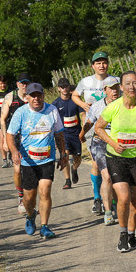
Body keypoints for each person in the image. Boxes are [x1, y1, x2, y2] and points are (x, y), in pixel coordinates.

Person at [94, 71, 136, 253]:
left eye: (135, 83)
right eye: (128, 84)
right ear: (121, 87)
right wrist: (113, 143)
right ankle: (122, 234)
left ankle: (131, 235)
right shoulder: (113, 107)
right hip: (116, 157)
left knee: (135, 199)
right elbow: (98, 128)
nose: (132, 87)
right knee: (123, 196)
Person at [6, 82, 68, 240]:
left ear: (43, 95)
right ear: (27, 97)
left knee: (45, 191)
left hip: (47, 159)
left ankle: (45, 226)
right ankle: (30, 215)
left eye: (39, 95)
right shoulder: (21, 112)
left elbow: (59, 133)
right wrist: (14, 152)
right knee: (29, 198)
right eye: (32, 96)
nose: (36, 98)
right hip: (28, 162)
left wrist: (63, 154)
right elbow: (10, 134)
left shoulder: (51, 110)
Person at [74, 52, 111, 216]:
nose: (101, 65)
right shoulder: (86, 82)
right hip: (91, 126)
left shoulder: (114, 81)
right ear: (93, 66)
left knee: (111, 163)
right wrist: (83, 105)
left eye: (104, 62)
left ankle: (110, 197)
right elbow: (74, 95)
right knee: (97, 162)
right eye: (98, 63)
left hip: (112, 127)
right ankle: (97, 198)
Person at [81, 76, 121, 225]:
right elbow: (89, 122)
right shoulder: (97, 106)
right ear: (105, 90)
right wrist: (82, 134)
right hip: (99, 142)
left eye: (117, 87)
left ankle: (117, 204)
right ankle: (108, 210)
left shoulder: (125, 104)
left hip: (118, 143)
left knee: (119, 178)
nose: (114, 91)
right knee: (108, 177)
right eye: (111, 88)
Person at [0, 73, 32, 213]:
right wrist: (6, 141)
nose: (24, 86)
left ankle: (30, 196)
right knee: (18, 170)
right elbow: (2, 120)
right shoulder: (10, 97)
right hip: (15, 138)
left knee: (30, 170)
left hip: (31, 138)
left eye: (27, 83)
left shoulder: (34, 96)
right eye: (22, 83)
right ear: (17, 83)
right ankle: (20, 196)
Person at [51, 78, 83, 189]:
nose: (65, 89)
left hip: (76, 133)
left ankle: (74, 169)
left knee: (77, 156)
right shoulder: (55, 104)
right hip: (63, 134)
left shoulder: (75, 100)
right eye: (62, 87)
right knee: (64, 155)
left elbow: (82, 114)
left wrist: (84, 132)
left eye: (66, 86)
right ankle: (67, 180)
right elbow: (52, 122)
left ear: (69, 87)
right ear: (59, 89)